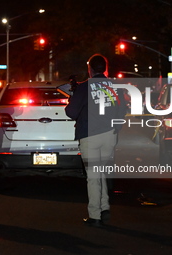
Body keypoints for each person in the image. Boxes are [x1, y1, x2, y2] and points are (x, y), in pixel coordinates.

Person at [65, 54, 127, 228]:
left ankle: (95, 215)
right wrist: (116, 130)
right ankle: (104, 206)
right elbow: (123, 110)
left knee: (92, 176)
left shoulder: (85, 88)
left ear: (90, 69)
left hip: (89, 135)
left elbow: (71, 112)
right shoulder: (116, 87)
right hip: (110, 135)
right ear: (105, 68)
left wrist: (72, 98)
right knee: (100, 172)